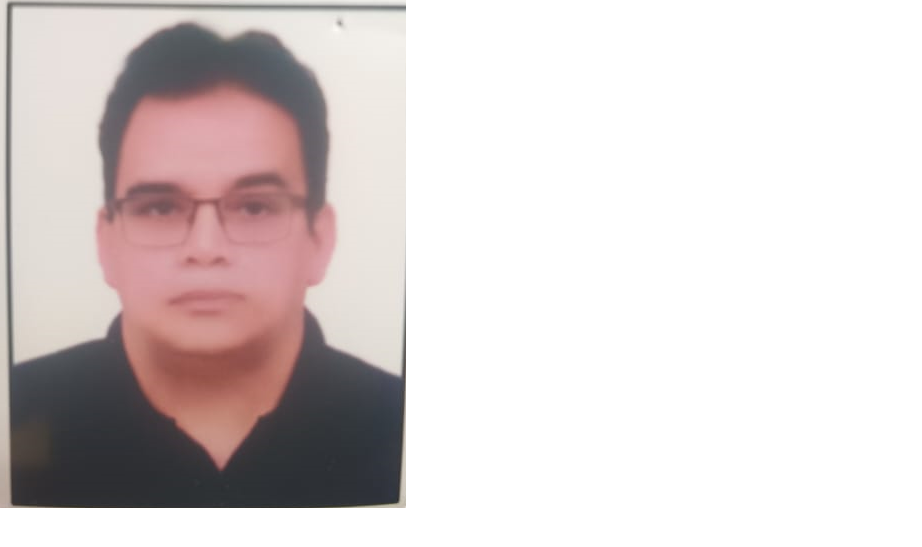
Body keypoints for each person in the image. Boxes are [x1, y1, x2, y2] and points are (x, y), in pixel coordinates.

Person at [10, 23, 404, 507]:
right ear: (106, 242)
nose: (205, 248)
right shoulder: (16, 413)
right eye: (160, 207)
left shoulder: (405, 427)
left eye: (254, 207)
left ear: (319, 240)